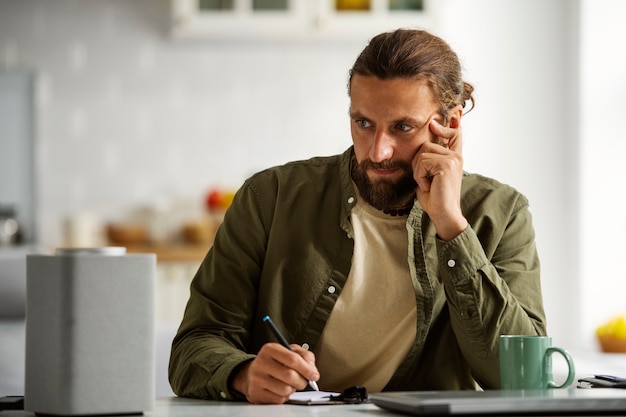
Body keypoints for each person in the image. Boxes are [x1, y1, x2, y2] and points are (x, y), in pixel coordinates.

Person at [168, 28, 547, 404]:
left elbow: (525, 379)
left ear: (448, 125)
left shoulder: (501, 213)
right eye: (363, 123)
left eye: (402, 127)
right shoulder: (269, 198)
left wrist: (451, 225)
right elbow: (194, 345)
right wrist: (243, 374)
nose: (378, 151)